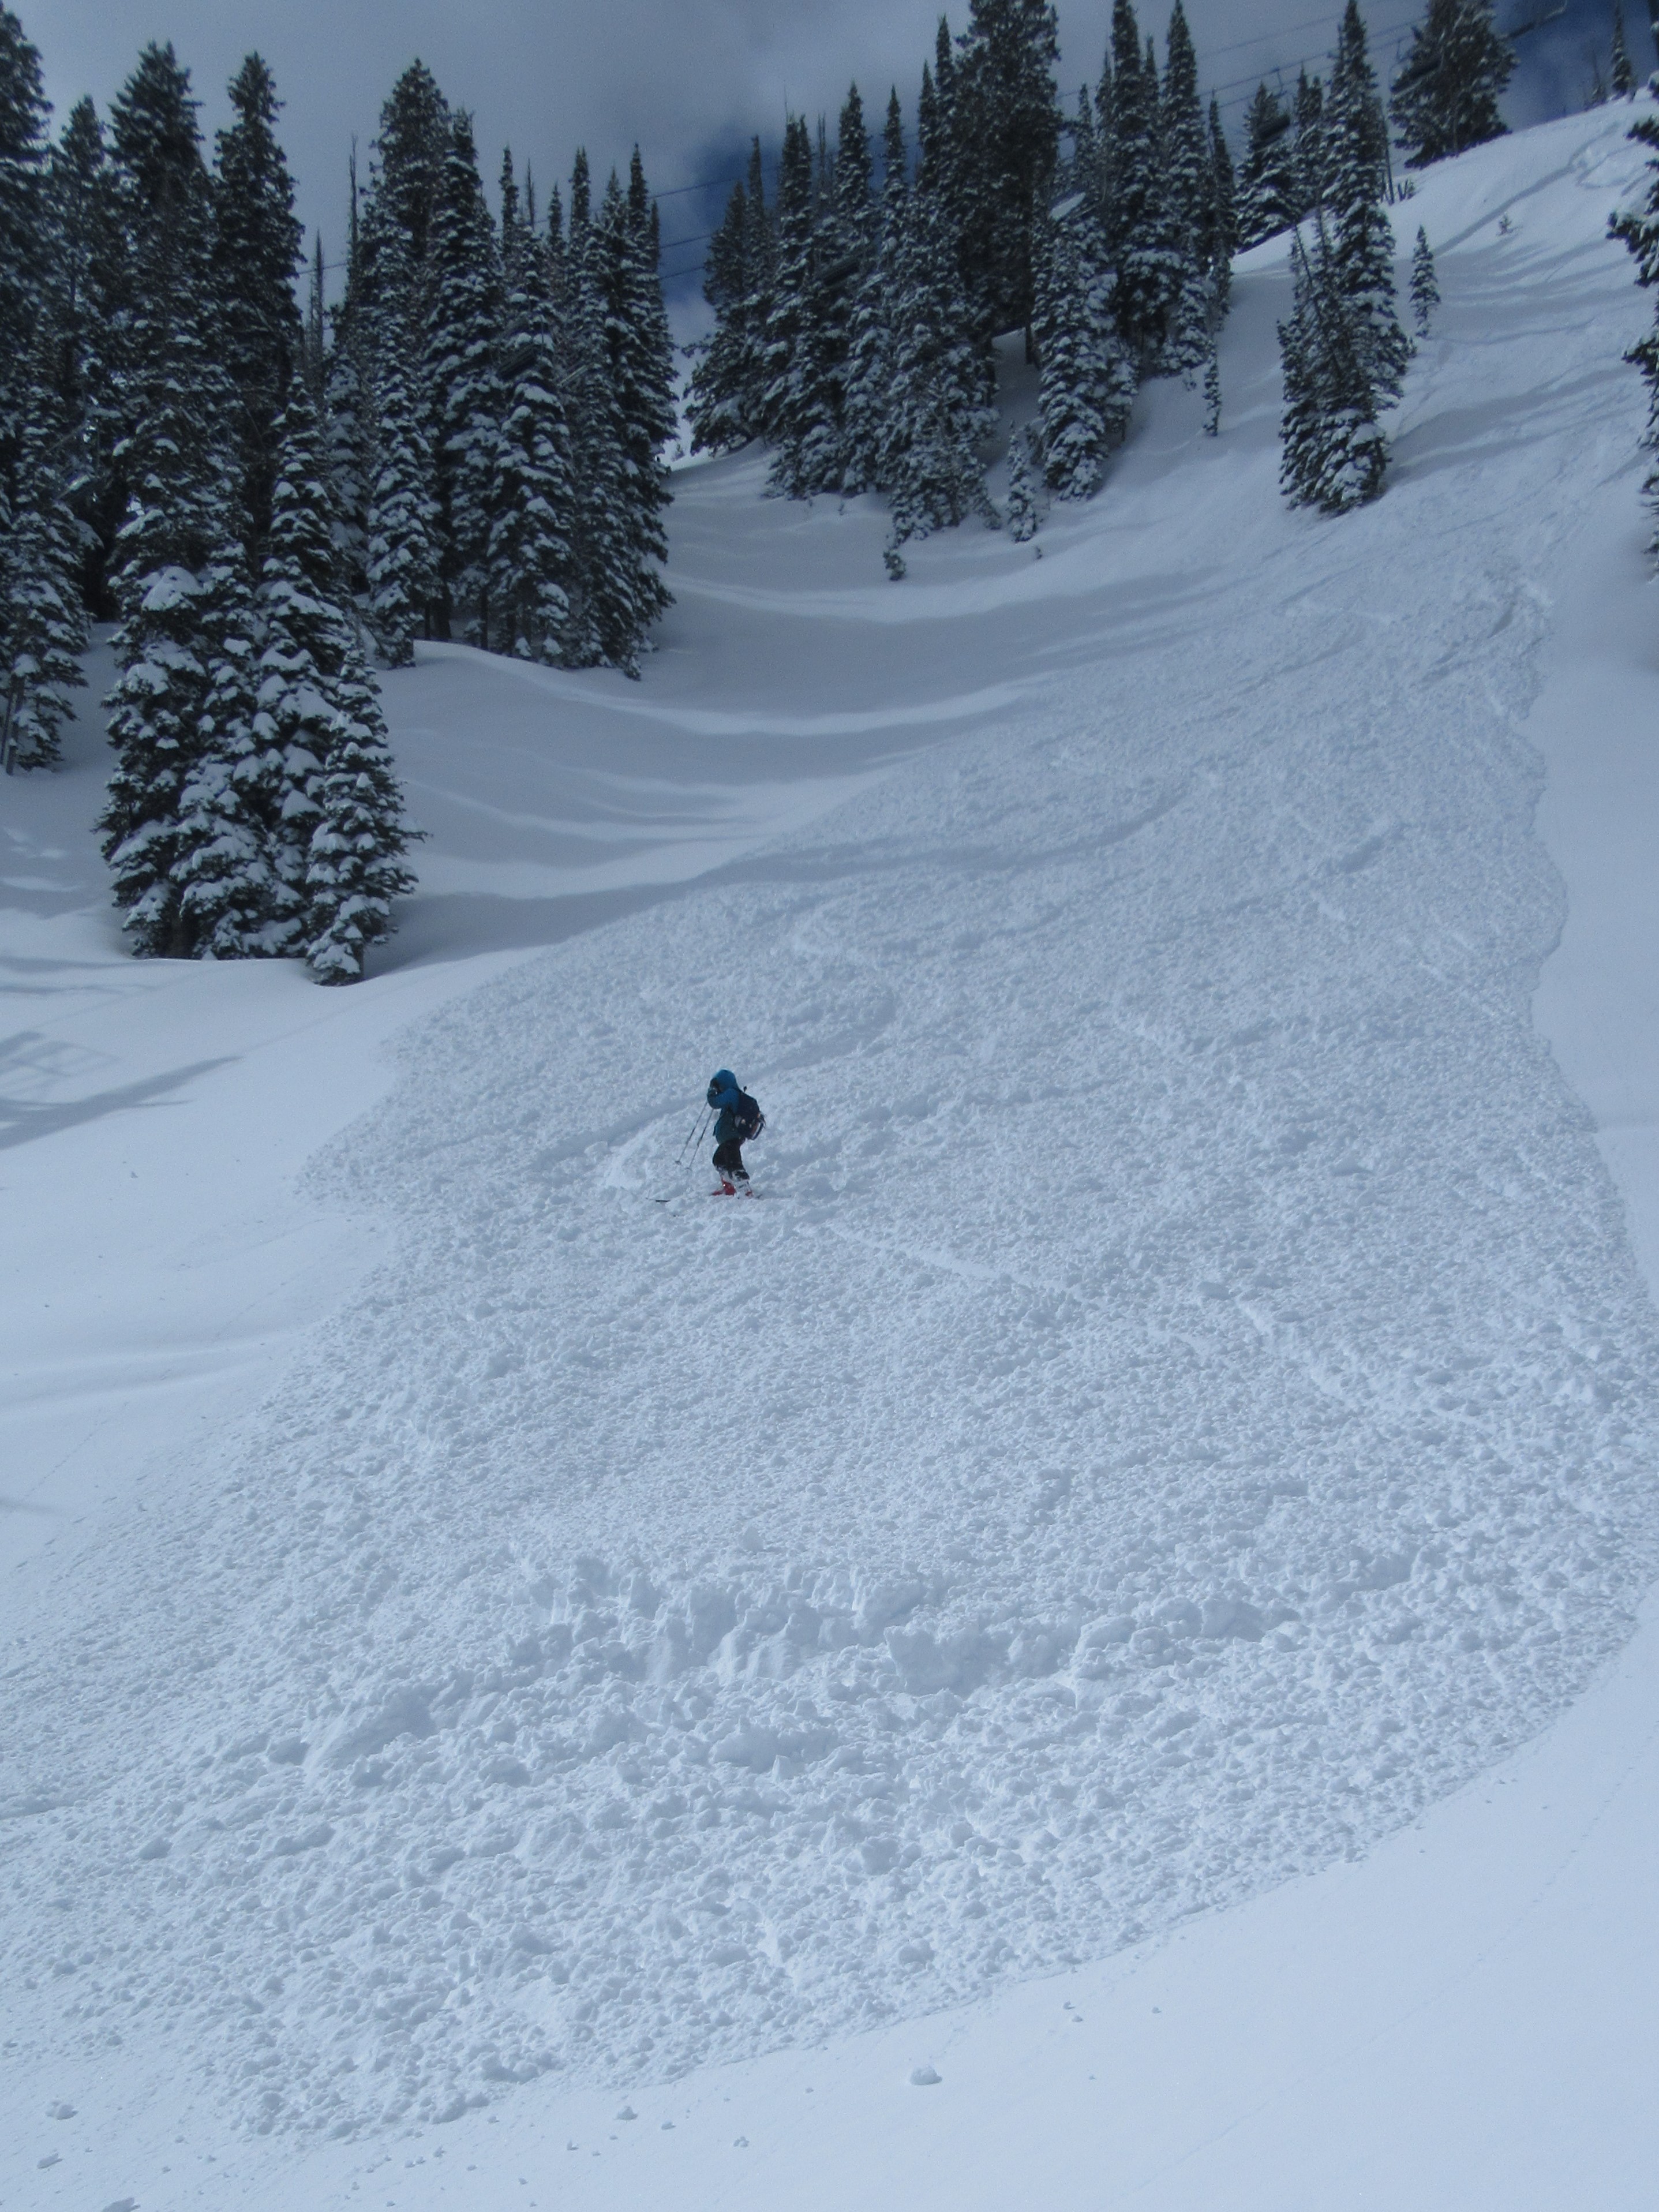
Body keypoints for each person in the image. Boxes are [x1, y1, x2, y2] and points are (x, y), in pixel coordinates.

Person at [706, 1068, 763, 1193]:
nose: (718, 1088)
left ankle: (745, 1190)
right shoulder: (732, 1096)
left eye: (719, 1085)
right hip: (730, 1137)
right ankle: (729, 1187)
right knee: (719, 1161)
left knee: (734, 1164)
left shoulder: (732, 1093)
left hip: (732, 1136)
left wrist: (711, 1092)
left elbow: (714, 1102)